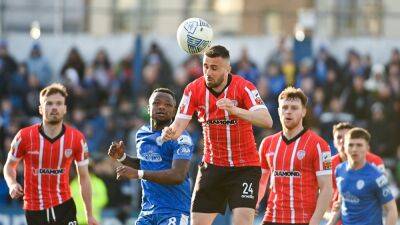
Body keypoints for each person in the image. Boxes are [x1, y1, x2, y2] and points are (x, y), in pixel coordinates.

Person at [162, 45, 273, 225]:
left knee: (242, 221)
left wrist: (234, 109)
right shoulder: (193, 89)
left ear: (227, 69)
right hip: (212, 166)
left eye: (214, 68)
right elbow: (178, 126)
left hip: (245, 168)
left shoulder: (244, 87)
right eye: (205, 66)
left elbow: (267, 120)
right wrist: (169, 132)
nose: (208, 72)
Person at [3, 83, 98, 225]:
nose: (54, 107)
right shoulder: (24, 136)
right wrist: (12, 184)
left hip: (64, 206)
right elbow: (9, 166)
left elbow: (84, 177)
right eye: (49, 104)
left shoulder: (76, 138)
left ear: (65, 109)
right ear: (41, 109)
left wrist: (89, 215)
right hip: (35, 209)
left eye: (59, 103)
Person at [108, 88, 193, 225]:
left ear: (174, 110)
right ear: (148, 108)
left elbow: (178, 175)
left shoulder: (180, 136)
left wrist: (138, 174)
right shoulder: (142, 134)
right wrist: (122, 158)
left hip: (174, 210)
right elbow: (146, 164)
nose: (161, 107)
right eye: (157, 103)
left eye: (167, 105)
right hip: (147, 211)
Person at [258, 87, 333, 225]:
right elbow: (261, 181)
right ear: (279, 111)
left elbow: (327, 188)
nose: (288, 111)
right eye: (284, 107)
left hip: (302, 219)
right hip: (271, 218)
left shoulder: (319, 145)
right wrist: (253, 204)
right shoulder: (267, 143)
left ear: (304, 112)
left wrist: (315, 221)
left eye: (294, 108)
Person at [327, 128, 398, 225]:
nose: (354, 149)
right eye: (350, 145)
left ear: (367, 148)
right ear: (345, 147)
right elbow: (342, 202)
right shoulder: (339, 170)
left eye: (359, 145)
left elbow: (391, 210)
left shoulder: (376, 176)